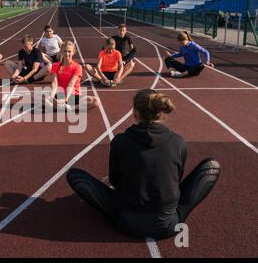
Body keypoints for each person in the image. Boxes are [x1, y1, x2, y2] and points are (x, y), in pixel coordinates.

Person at [67, 89, 221, 239]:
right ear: (161, 112)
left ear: (135, 112)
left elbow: (114, 181)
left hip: (126, 223)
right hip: (169, 224)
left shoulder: (120, 141)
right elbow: (177, 178)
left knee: (75, 175)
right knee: (212, 166)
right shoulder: (178, 141)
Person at [48, 41, 100, 111]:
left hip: (73, 94)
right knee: (36, 96)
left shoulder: (77, 67)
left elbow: (71, 84)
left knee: (96, 101)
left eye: (69, 51)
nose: (67, 54)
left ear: (73, 52)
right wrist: (52, 95)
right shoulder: (55, 66)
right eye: (65, 51)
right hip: (60, 94)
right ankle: (60, 106)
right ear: (61, 52)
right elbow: (55, 83)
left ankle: (70, 108)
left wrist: (66, 98)